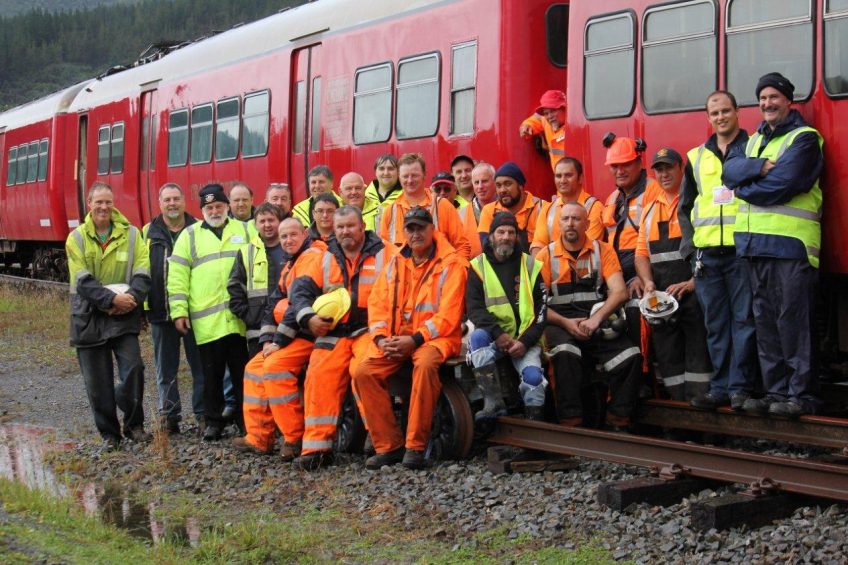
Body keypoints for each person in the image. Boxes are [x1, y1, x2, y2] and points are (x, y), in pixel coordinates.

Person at [723, 72, 824, 417]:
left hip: (790, 245)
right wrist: (755, 169)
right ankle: (775, 392)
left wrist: (745, 186)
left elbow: (785, 183)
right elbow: (729, 171)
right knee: (766, 323)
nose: (767, 103)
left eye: (774, 97)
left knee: (793, 321)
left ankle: (801, 394)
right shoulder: (752, 142)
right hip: (753, 245)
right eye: (763, 98)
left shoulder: (805, 139)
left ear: (788, 101)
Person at [354, 207, 468, 470]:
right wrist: (382, 339)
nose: (415, 234)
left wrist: (415, 339)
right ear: (404, 232)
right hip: (398, 338)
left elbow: (448, 317)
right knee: (363, 371)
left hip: (437, 338)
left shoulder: (452, 264)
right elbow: (378, 304)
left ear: (432, 229)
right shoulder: (395, 261)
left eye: (421, 228)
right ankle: (388, 446)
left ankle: (414, 447)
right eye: (410, 229)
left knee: (425, 364)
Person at [287, 206, 397, 470]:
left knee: (364, 371)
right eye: (340, 228)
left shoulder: (387, 253)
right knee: (318, 371)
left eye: (350, 226)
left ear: (362, 227)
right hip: (335, 332)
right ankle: (317, 449)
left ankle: (385, 444)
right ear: (334, 231)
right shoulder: (324, 256)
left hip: (371, 329)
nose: (346, 232)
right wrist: (308, 318)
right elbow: (299, 290)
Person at [681, 91, 758, 411]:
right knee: (716, 323)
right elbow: (685, 208)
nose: (721, 116)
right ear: (708, 117)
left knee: (744, 321)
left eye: (726, 110)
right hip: (708, 254)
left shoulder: (754, 148)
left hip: (742, 251)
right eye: (715, 112)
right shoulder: (696, 157)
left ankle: (739, 388)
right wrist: (690, 250)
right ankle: (720, 387)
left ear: (737, 112)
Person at [536, 202, 642, 429]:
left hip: (595, 320)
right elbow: (538, 305)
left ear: (587, 223)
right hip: (560, 323)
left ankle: (618, 419)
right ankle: (571, 421)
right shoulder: (546, 256)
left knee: (631, 355)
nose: (570, 224)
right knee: (565, 352)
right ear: (559, 224)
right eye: (565, 219)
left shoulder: (602, 250)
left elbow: (620, 292)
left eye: (576, 219)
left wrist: (596, 320)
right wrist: (566, 323)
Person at [66, 181, 151, 448]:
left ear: (114, 205)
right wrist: (110, 300)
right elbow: (82, 279)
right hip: (89, 317)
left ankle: (135, 426)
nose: (104, 207)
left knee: (134, 368)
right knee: (97, 382)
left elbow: (143, 272)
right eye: (98, 202)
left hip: (124, 313)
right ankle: (110, 435)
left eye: (108, 202)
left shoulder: (134, 235)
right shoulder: (76, 238)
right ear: (89, 204)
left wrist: (132, 299)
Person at [232, 218, 325, 458]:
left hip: (310, 335)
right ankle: (259, 438)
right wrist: (266, 341)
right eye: (284, 237)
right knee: (254, 367)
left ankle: (294, 439)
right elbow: (273, 304)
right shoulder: (291, 263)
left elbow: (298, 306)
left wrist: (277, 343)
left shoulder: (312, 258)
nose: (288, 240)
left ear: (305, 233)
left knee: (275, 367)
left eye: (293, 235)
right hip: (294, 335)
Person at [168, 183, 251, 441]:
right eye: (209, 207)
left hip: (238, 319)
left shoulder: (245, 230)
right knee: (210, 376)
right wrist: (179, 311)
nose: (214, 210)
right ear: (202, 209)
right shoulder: (190, 235)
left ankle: (245, 421)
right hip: (207, 322)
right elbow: (178, 276)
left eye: (218, 206)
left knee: (242, 374)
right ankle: (213, 422)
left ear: (227, 206)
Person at [635, 149, 713, 401]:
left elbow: (708, 249)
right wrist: (648, 283)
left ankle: (700, 408)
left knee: (697, 351)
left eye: (669, 167)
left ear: (681, 168)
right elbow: (641, 255)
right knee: (668, 353)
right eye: (658, 169)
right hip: (661, 297)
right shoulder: (647, 211)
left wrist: (693, 283)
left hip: (693, 294)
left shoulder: (695, 204)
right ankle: (678, 410)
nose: (664, 174)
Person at [466, 212, 547, 421]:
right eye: (500, 232)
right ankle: (493, 404)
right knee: (477, 338)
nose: (506, 236)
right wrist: (498, 334)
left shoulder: (530, 265)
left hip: (525, 340)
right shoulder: (478, 266)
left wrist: (525, 342)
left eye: (511, 232)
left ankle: (534, 427)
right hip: (495, 339)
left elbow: (542, 311)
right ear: (491, 236)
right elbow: (474, 308)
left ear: (517, 237)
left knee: (534, 379)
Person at [143, 182, 204, 435]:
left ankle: (203, 414)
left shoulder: (199, 229)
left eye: (176, 198)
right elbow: (141, 270)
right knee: (164, 369)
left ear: (184, 201)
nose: (172, 203)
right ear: (160, 203)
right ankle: (169, 415)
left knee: (200, 367)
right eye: (167, 199)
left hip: (196, 312)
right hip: (160, 311)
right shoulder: (148, 232)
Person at [601, 134, 662, 345]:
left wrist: (642, 276)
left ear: (639, 163)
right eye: (614, 166)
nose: (620, 171)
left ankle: (645, 374)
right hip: (618, 273)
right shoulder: (612, 199)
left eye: (625, 164)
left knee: (637, 313)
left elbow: (660, 241)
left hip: (645, 272)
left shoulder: (653, 190)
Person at [377, 153, 472, 258]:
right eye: (405, 176)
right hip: (401, 274)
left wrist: (457, 273)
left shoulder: (443, 206)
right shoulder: (389, 212)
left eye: (414, 175)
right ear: (399, 177)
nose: (410, 180)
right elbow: (383, 255)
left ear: (424, 175)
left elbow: (462, 246)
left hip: (440, 273)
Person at [227, 203, 286, 358]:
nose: (267, 225)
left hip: (289, 325)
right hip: (258, 332)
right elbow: (234, 288)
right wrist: (250, 316)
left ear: (279, 221)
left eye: (271, 220)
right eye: (262, 221)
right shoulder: (246, 252)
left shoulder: (290, 247)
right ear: (255, 224)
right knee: (260, 376)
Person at [530, 157, 605, 256]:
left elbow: (589, 249)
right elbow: (537, 246)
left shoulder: (594, 207)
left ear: (580, 178)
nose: (562, 180)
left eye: (568, 175)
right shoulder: (547, 209)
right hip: (550, 269)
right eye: (558, 176)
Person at [477, 161, 544, 253]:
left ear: (520, 186)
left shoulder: (541, 208)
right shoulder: (489, 211)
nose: (502, 190)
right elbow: (487, 246)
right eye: (498, 185)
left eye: (508, 184)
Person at [431, 171, 481, 258]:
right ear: (432, 192)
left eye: (447, 189)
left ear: (455, 190)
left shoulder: (469, 210)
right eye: (438, 189)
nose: (442, 193)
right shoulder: (427, 213)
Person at [519, 89, 567, 171]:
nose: (549, 116)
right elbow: (535, 119)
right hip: (560, 178)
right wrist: (526, 126)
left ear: (564, 108)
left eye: (553, 111)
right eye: (546, 113)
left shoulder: (574, 127)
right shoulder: (545, 120)